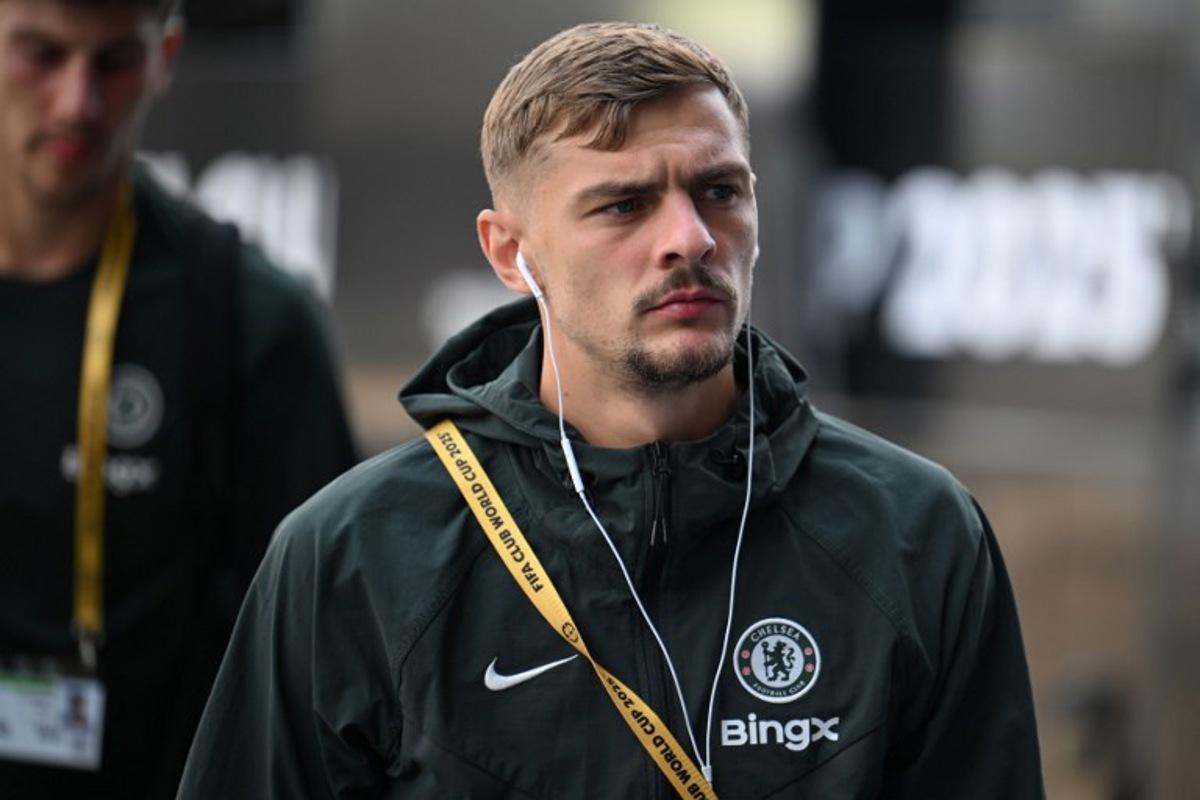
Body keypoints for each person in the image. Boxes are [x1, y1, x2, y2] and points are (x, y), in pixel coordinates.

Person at [179, 21, 1044, 799]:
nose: (692, 238)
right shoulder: (355, 557)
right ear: (511, 253)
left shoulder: (917, 534)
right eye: (624, 204)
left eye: (720, 191)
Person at [0, 0, 357, 798]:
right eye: (40, 54)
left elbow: (325, 663)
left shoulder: (248, 320)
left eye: (112, 62)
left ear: (165, 54)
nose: (75, 102)